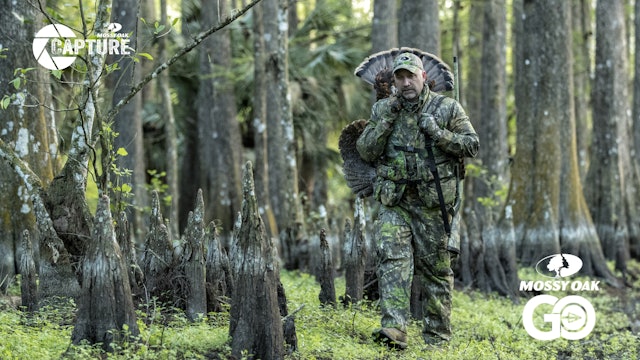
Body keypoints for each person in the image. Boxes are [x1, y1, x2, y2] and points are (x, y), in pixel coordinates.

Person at [356, 52, 479, 348]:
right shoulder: (383, 109)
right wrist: (387, 118)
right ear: (394, 81)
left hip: (433, 203)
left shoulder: (447, 107)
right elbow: (366, 151)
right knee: (392, 261)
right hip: (394, 200)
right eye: (400, 77)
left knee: (436, 271)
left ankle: (437, 338)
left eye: (411, 75)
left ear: (424, 77)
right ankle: (394, 329)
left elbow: (471, 144)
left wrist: (437, 133)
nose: (406, 82)